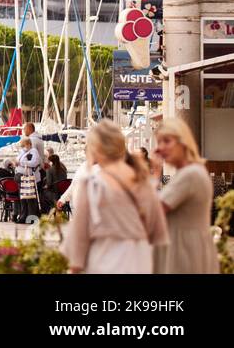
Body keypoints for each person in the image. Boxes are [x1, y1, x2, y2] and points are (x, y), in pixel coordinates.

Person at [61, 121, 167, 274]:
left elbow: (79, 234)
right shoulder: (141, 179)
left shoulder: (92, 181)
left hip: (104, 259)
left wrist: (74, 268)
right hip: (139, 260)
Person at [152, 117, 220, 274]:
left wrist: (153, 175)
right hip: (188, 248)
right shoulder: (191, 172)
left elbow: (153, 211)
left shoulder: (190, 175)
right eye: (159, 142)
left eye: (167, 141)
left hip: (184, 253)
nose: (160, 148)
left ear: (183, 143)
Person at [14, 138, 42, 223]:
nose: (23, 147)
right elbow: (17, 160)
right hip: (21, 176)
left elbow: (34, 163)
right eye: (22, 146)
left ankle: (31, 217)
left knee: (30, 198)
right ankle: (23, 216)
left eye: (24, 145)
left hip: (28, 177)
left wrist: (22, 163)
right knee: (23, 198)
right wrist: (16, 162)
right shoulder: (23, 152)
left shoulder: (34, 151)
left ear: (29, 144)